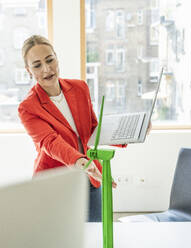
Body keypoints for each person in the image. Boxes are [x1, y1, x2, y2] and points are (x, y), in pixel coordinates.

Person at [18, 35, 125, 222]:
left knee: (94, 233)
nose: (46, 69)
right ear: (28, 70)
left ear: (57, 58)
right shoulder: (28, 107)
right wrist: (83, 163)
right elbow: (50, 143)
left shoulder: (79, 88)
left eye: (50, 60)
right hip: (56, 182)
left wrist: (129, 132)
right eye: (37, 65)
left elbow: (92, 130)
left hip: (91, 177)